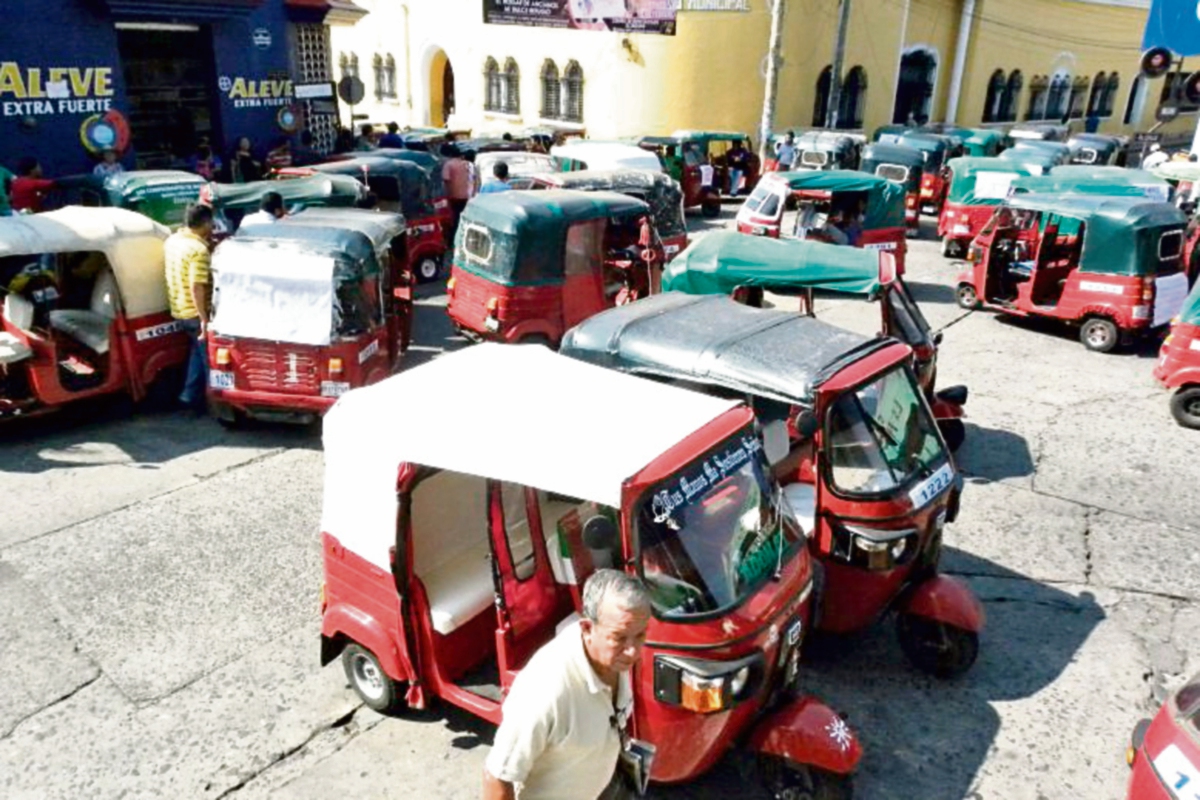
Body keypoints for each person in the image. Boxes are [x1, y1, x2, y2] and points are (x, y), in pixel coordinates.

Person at [483, 569, 651, 800]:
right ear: (587, 629)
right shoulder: (545, 692)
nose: (633, 652)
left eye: (640, 635)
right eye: (619, 638)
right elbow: (497, 776)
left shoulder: (612, 658)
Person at [164, 204, 214, 416]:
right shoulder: (198, 251)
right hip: (195, 313)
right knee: (209, 360)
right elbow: (197, 285)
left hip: (178, 309)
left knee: (196, 352)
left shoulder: (172, 241)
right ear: (205, 223)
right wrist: (204, 319)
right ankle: (214, 403)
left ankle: (188, 396)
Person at [441, 144, 473, 240]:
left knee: (454, 218)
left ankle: (453, 238)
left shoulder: (449, 164)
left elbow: (446, 179)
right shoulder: (468, 164)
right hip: (467, 196)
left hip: (453, 196)